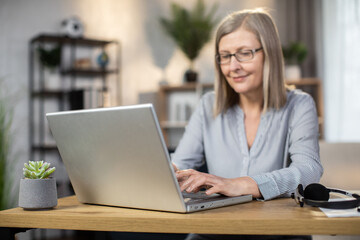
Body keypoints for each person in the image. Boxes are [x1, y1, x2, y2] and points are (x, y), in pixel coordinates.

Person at [171, 8, 323, 240]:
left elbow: (309, 171)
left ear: (269, 53)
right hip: (214, 234)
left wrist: (240, 185)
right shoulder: (207, 105)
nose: (233, 67)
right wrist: (169, 172)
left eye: (244, 53)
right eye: (225, 55)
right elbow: (180, 164)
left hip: (279, 234)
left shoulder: (299, 105)